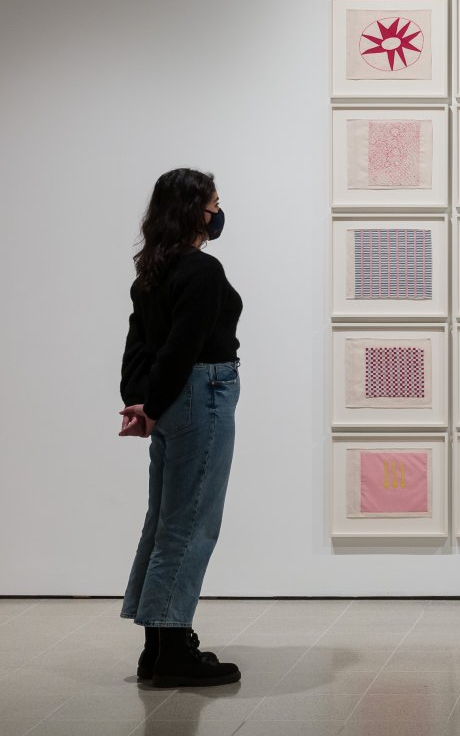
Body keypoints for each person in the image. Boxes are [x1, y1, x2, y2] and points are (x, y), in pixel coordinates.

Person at [118, 168, 243, 688]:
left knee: (165, 521)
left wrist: (141, 402)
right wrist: (154, 403)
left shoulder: (150, 271)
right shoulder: (202, 270)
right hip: (203, 393)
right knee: (191, 522)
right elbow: (180, 348)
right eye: (214, 203)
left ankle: (158, 646)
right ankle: (172, 649)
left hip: (171, 399)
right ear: (196, 211)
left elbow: (139, 347)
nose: (219, 213)